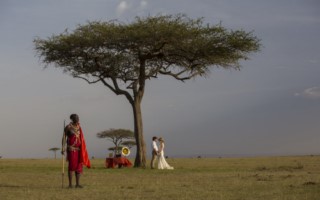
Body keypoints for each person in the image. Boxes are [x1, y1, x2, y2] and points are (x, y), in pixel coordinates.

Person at [62, 114, 91, 188]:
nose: (78, 119)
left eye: (78, 117)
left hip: (79, 150)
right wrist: (63, 148)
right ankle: (70, 185)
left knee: (79, 167)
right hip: (71, 149)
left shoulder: (79, 127)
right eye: (76, 118)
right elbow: (64, 138)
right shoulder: (68, 127)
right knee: (71, 166)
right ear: (72, 119)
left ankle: (77, 184)